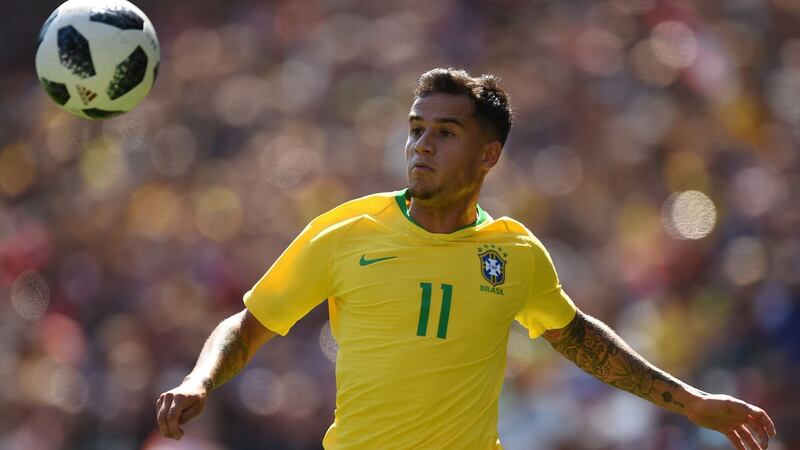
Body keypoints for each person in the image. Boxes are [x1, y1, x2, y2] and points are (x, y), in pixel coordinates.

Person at [156, 68, 776, 450]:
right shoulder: (345, 232)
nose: (421, 146)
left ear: (488, 156)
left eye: (446, 133)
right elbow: (250, 324)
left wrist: (690, 401)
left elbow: (583, 340)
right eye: (416, 129)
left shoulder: (515, 254)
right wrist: (198, 379)